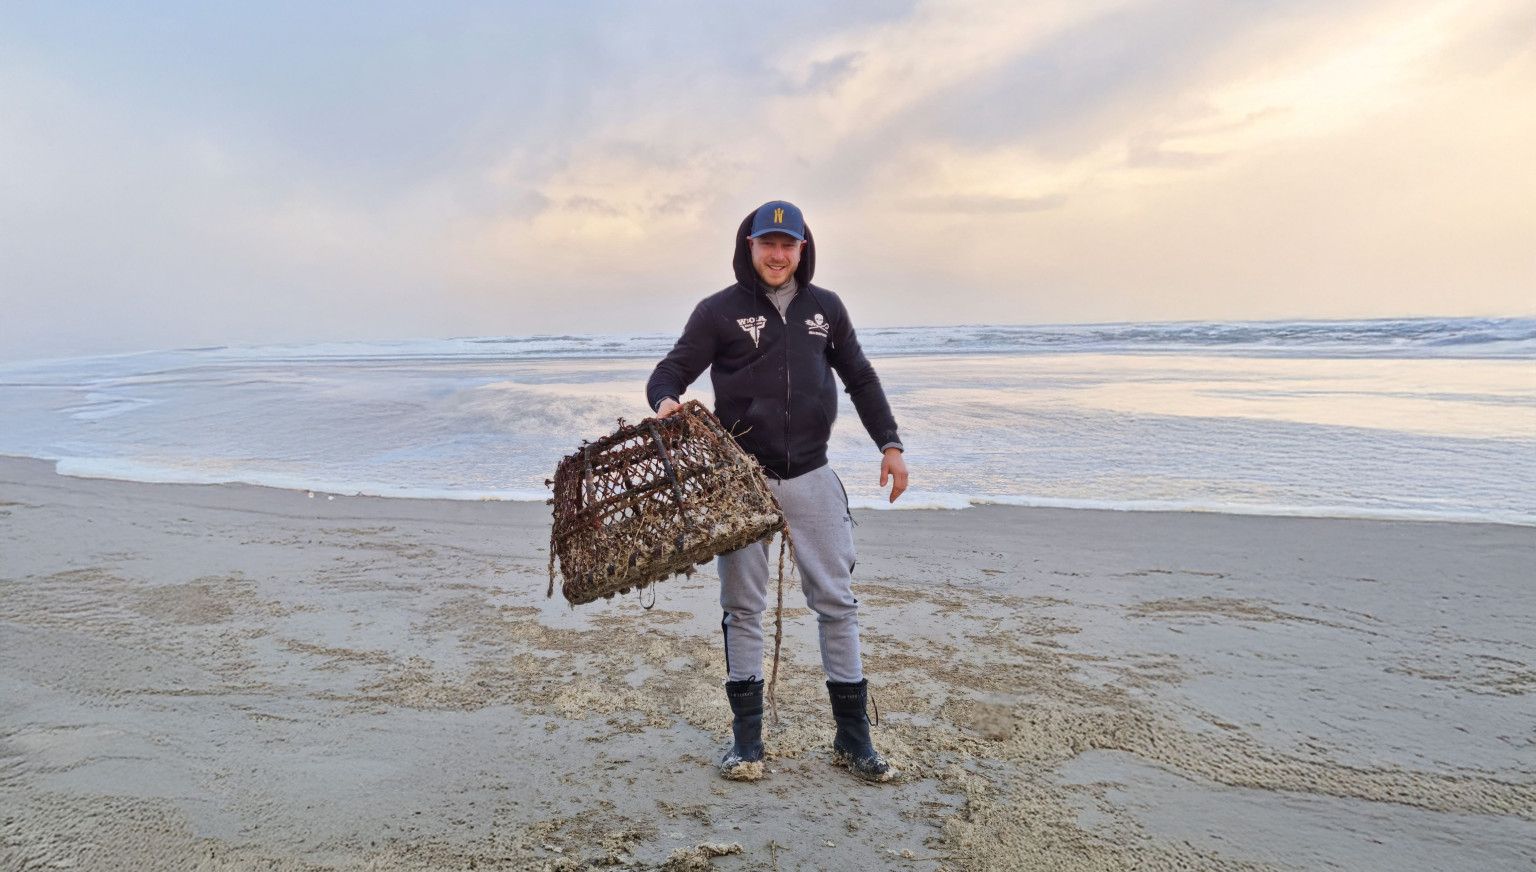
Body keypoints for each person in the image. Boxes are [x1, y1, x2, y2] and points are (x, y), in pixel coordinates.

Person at [646, 200, 908, 783]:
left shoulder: (825, 310)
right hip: (742, 480)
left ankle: (852, 739)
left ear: (802, 249)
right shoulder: (718, 312)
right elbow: (668, 373)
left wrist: (889, 445)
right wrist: (665, 403)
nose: (778, 254)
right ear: (750, 245)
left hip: (812, 474)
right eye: (768, 243)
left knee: (836, 603)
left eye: (788, 245)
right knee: (743, 608)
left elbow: (860, 376)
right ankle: (747, 745)